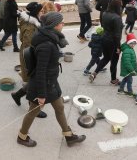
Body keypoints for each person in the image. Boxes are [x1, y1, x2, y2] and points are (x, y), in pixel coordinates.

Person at [17, 12, 86, 147]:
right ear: (54, 25)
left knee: (59, 107)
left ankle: (68, 136)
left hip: (51, 82)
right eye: (61, 22)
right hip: (42, 84)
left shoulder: (48, 37)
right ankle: (22, 136)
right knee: (33, 111)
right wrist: (41, 95)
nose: (63, 24)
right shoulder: (46, 45)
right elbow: (41, 71)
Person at [11, 2, 47, 119]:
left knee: (32, 81)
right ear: (36, 12)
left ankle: (17, 95)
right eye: (41, 11)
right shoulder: (30, 26)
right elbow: (28, 44)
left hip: (32, 53)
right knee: (32, 82)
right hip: (29, 56)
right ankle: (33, 109)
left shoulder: (34, 22)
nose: (42, 12)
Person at [89, 0, 123, 85]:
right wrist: (118, 47)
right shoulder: (117, 18)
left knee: (106, 57)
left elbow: (103, 26)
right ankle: (113, 79)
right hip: (113, 42)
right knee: (114, 61)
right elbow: (117, 35)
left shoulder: (105, 13)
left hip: (104, 38)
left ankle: (95, 73)